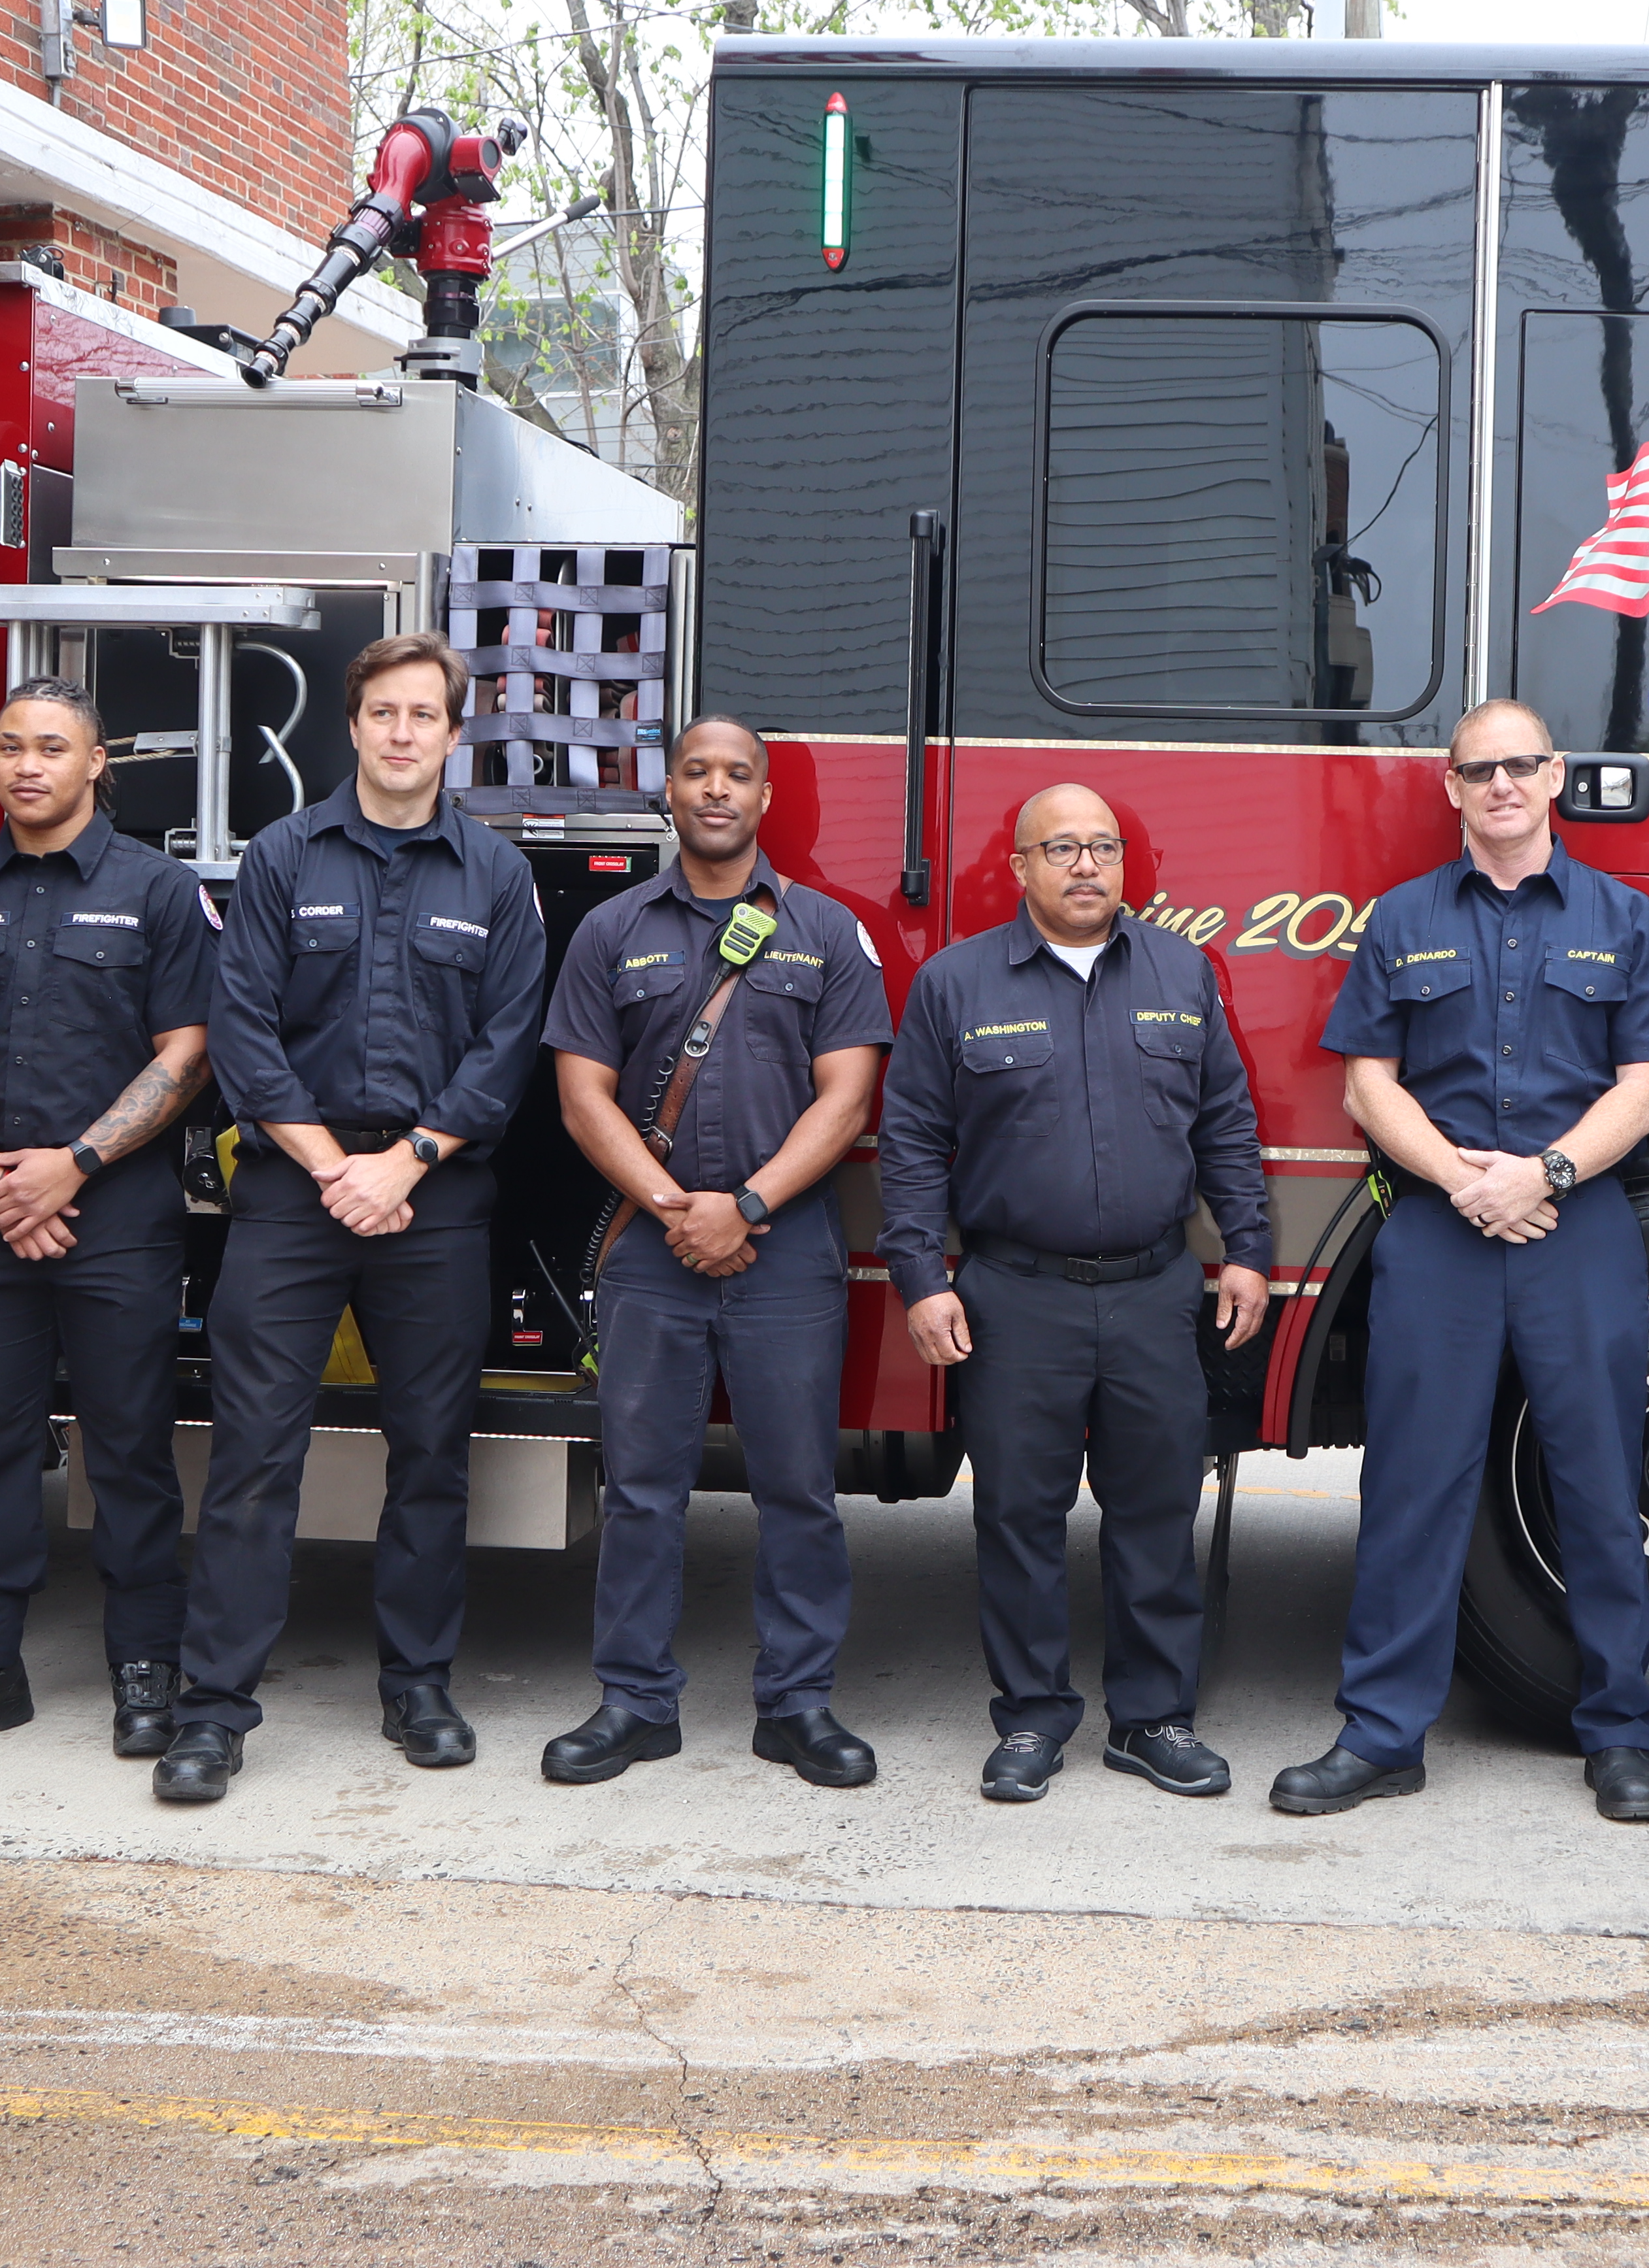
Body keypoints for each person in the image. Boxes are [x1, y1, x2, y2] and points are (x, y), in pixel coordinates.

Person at [1272, 701, 1649, 1826]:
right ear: (1449, 789)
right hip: (1440, 1233)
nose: (1501, 785)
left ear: (1554, 777)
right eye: (1478, 770)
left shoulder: (1625, 917)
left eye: (1520, 765)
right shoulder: (1403, 921)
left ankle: (1618, 1734)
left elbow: (1645, 1090)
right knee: (1414, 1485)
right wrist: (1468, 1183)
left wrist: (1539, 1176)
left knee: (1601, 1484)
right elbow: (1368, 1084)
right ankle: (1382, 1734)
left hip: (1578, 1230)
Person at [154, 631, 549, 1803]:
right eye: (382, 712)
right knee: (253, 1457)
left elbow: (508, 1046)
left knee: (431, 1457)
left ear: (452, 733)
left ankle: (418, 1686)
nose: (401, 733)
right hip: (292, 1193)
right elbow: (245, 1033)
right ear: (355, 722)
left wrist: (407, 1164)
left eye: (424, 715)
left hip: (435, 1199)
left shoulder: (496, 874)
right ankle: (213, 1711)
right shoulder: (281, 855)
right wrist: (339, 1169)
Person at [876, 784, 1272, 1804]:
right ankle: (1032, 1717)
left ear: (1126, 866)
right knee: (1017, 1516)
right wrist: (925, 1280)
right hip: (1018, 1296)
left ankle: (1152, 1719)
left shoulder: (1182, 973)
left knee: (1154, 1514)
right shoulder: (956, 984)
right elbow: (914, 1141)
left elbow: (1226, 1124)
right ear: (1020, 867)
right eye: (1062, 848)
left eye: (1103, 847)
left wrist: (1250, 1254)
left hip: (1153, 1294)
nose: (1087, 865)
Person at [0, 678, 216, 1763]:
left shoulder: (157, 892)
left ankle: (147, 1669)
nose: (28, 765)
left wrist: (70, 1168)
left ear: (97, 762)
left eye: (52, 747)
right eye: (9, 746)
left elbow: (189, 1053)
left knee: (130, 1453)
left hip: (118, 1223)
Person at [542, 718, 891, 1790]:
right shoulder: (611, 931)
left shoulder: (827, 932)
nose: (717, 789)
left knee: (798, 1488)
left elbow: (849, 1096)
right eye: (696, 771)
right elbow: (580, 1093)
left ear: (766, 797)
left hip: (785, 1251)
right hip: (651, 1250)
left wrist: (743, 1203)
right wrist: (673, 1206)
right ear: (670, 790)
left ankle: (796, 1707)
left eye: (738, 774)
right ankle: (635, 1701)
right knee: (644, 1487)